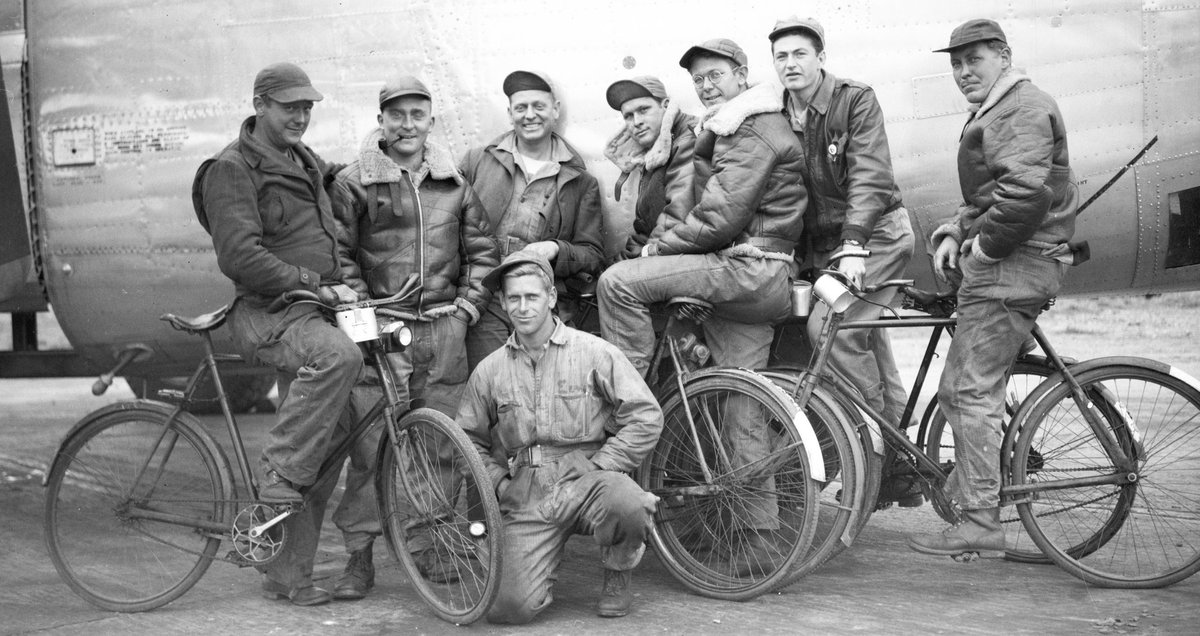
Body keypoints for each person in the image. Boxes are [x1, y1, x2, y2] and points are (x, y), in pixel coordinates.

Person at [597, 38, 805, 572]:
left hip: (747, 267)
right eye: (700, 78)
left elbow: (720, 217)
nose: (707, 85)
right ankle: (757, 534)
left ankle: (631, 403)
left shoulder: (751, 126)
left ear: (742, 76)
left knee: (619, 282)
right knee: (741, 405)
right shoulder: (743, 124)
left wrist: (655, 250)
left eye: (716, 75)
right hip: (762, 279)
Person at [192, 62, 363, 606]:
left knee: (329, 438)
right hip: (266, 313)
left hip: (304, 312)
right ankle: (276, 481)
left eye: (308, 107)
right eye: (290, 106)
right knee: (338, 359)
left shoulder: (302, 161)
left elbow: (318, 193)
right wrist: (313, 282)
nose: (301, 116)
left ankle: (287, 575)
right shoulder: (231, 169)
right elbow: (239, 257)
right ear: (260, 105)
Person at [909, 19, 1078, 556]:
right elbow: (993, 194)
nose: (963, 72)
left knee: (965, 390)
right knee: (969, 379)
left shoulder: (1020, 108)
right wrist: (957, 230)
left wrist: (983, 249)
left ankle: (981, 521)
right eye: (956, 64)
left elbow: (1025, 196)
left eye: (974, 60)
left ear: (1003, 56)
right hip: (1017, 264)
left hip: (1014, 267)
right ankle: (1010, 351)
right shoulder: (999, 108)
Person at [327, 74, 499, 600]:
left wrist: (467, 308)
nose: (407, 126)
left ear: (430, 121)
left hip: (442, 329)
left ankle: (432, 548)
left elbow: (483, 251)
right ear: (381, 119)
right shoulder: (354, 183)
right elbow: (339, 258)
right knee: (373, 448)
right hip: (382, 332)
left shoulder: (453, 182)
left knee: (443, 447)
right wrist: (362, 315)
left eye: (417, 115)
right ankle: (359, 558)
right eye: (396, 115)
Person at [457, 250, 662, 624]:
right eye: (513, 298)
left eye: (531, 297)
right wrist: (500, 484)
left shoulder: (595, 352)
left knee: (630, 503)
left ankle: (617, 572)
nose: (522, 308)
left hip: (589, 481)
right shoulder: (490, 371)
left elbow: (646, 416)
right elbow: (466, 440)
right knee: (508, 609)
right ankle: (529, 560)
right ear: (502, 302)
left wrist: (600, 463)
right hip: (527, 492)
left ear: (550, 298)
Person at [768, 16, 919, 508]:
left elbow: (871, 176)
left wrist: (854, 243)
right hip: (833, 251)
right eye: (781, 56)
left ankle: (874, 453)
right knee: (866, 342)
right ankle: (905, 465)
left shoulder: (853, 99)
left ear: (820, 57)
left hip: (875, 238)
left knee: (828, 328)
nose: (790, 63)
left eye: (799, 54)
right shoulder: (780, 111)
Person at [459, 70, 604, 368]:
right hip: (485, 301)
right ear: (510, 113)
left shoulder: (581, 181)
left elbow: (592, 254)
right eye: (521, 108)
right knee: (492, 384)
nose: (530, 115)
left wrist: (555, 249)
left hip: (542, 307)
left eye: (539, 106)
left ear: (555, 110)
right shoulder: (477, 162)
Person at [602, 75, 697, 260]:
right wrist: (615, 266)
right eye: (628, 116)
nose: (636, 121)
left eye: (643, 110)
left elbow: (675, 219)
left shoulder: (687, 140)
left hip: (685, 256)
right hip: (667, 252)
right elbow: (644, 230)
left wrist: (626, 269)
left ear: (665, 105)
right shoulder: (654, 152)